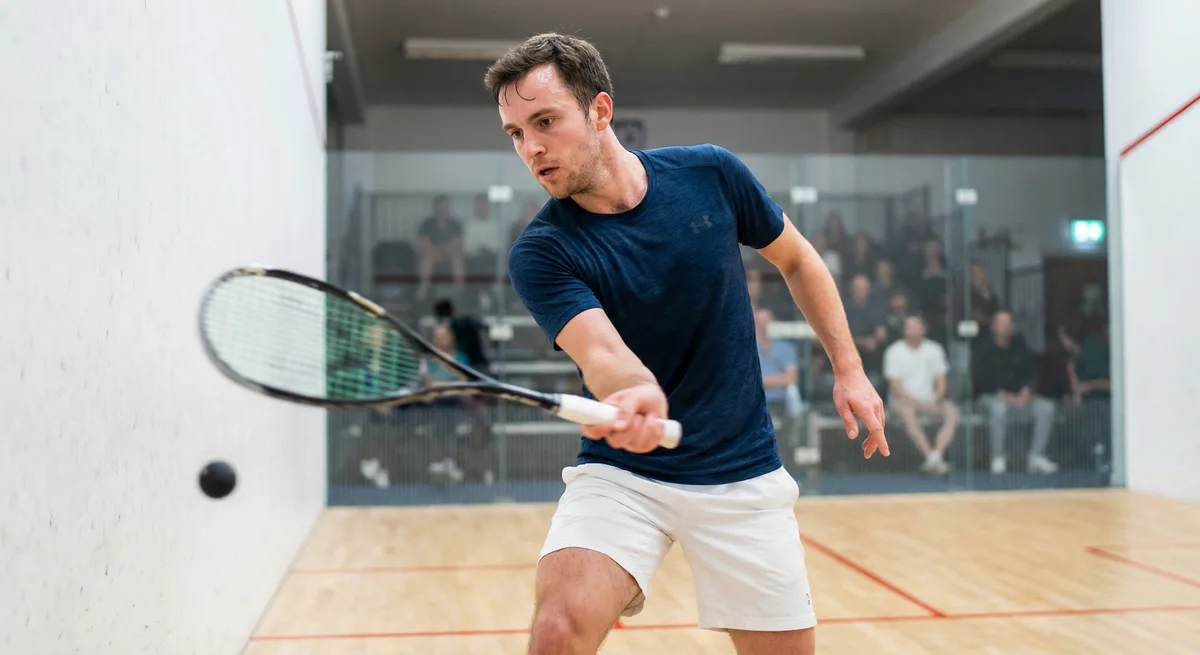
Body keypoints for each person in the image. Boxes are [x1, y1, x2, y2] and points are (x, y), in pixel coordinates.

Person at [485, 33, 887, 655]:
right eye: (515, 133)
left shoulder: (711, 174)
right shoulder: (541, 252)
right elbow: (601, 353)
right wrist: (635, 392)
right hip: (623, 475)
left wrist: (849, 368)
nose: (530, 147)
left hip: (741, 471)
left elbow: (798, 259)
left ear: (599, 110)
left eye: (544, 121)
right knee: (557, 630)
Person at [882, 314, 959, 475]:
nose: (912, 330)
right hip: (903, 402)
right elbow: (896, 387)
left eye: (915, 326)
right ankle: (929, 455)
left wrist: (936, 398)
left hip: (931, 401)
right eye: (909, 327)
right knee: (907, 412)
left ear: (924, 329)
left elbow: (941, 382)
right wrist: (916, 402)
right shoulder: (894, 351)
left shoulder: (935, 349)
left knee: (952, 411)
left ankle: (937, 454)